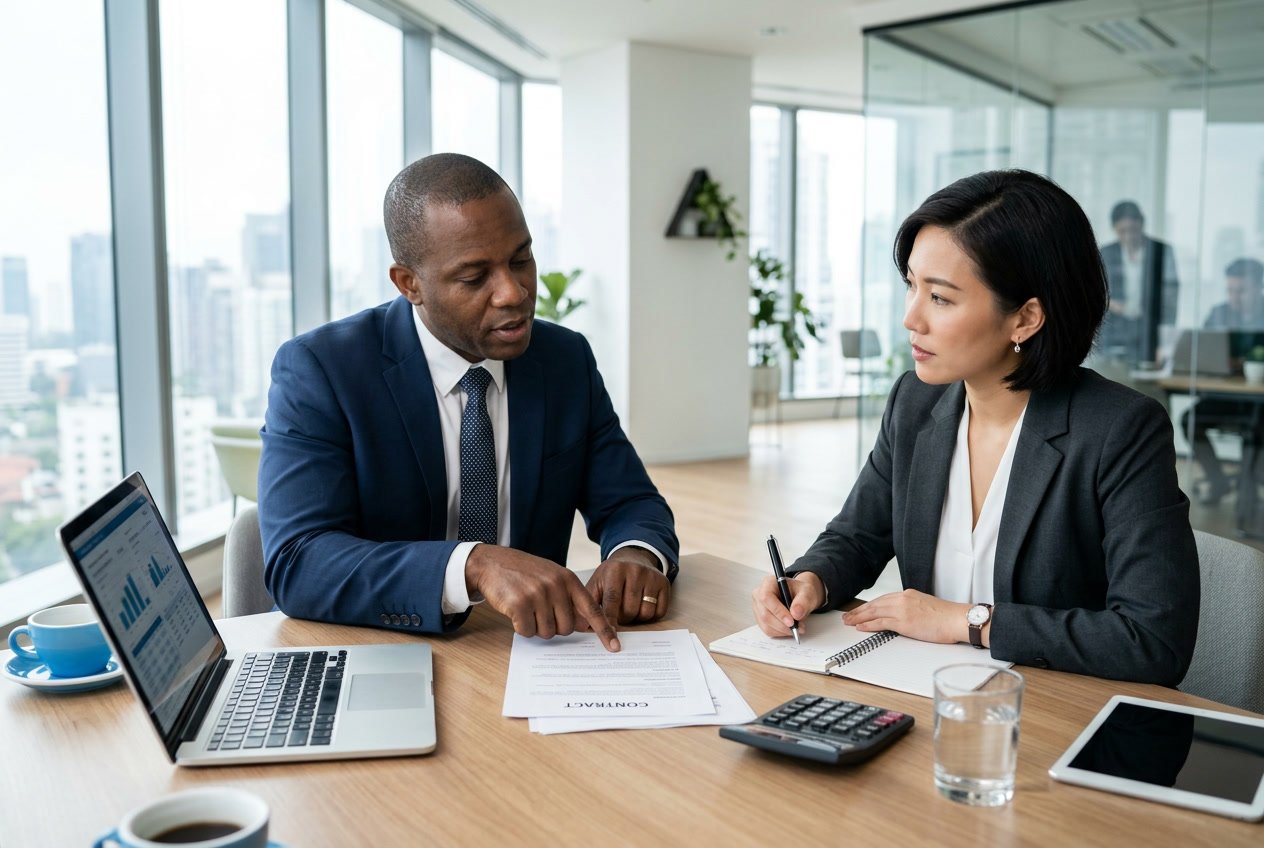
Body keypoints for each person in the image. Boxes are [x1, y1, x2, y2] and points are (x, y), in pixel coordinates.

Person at [750, 170, 1198, 686]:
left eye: (940, 298)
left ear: (1025, 318)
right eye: (912, 286)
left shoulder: (1120, 430)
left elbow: (1154, 640)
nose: (911, 319)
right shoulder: (915, 401)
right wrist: (810, 581)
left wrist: (966, 621)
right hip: (923, 694)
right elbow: (857, 535)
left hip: (1048, 717)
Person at [258, 153, 679, 651]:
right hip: (387, 650)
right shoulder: (322, 370)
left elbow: (630, 499)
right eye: (475, 277)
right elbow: (299, 562)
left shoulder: (564, 361)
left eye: (521, 259)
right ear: (409, 283)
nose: (514, 292)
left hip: (530, 656)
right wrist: (472, 564)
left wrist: (636, 555)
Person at [1181, 257, 1264, 505]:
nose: (1234, 297)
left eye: (1241, 291)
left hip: (1259, 402)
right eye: (1230, 290)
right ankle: (1217, 479)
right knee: (1189, 420)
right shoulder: (1219, 313)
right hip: (1225, 396)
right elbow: (1204, 350)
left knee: (1256, 425)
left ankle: (1248, 493)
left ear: (1259, 287)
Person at [1098, 200, 1180, 366]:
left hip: (1149, 331)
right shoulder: (1106, 253)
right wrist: (1112, 304)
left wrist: (1165, 341)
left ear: (1142, 224)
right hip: (1114, 332)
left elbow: (1170, 298)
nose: (1129, 236)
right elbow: (1094, 293)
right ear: (1114, 229)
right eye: (1123, 231)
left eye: (1133, 230)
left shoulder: (1161, 251)